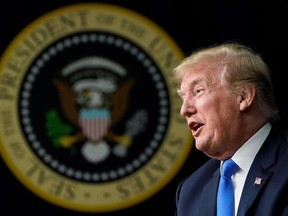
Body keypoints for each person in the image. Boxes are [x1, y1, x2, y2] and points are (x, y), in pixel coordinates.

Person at [171, 42, 288, 216]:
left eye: (198, 91)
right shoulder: (190, 192)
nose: (184, 110)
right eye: (183, 97)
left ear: (243, 97)